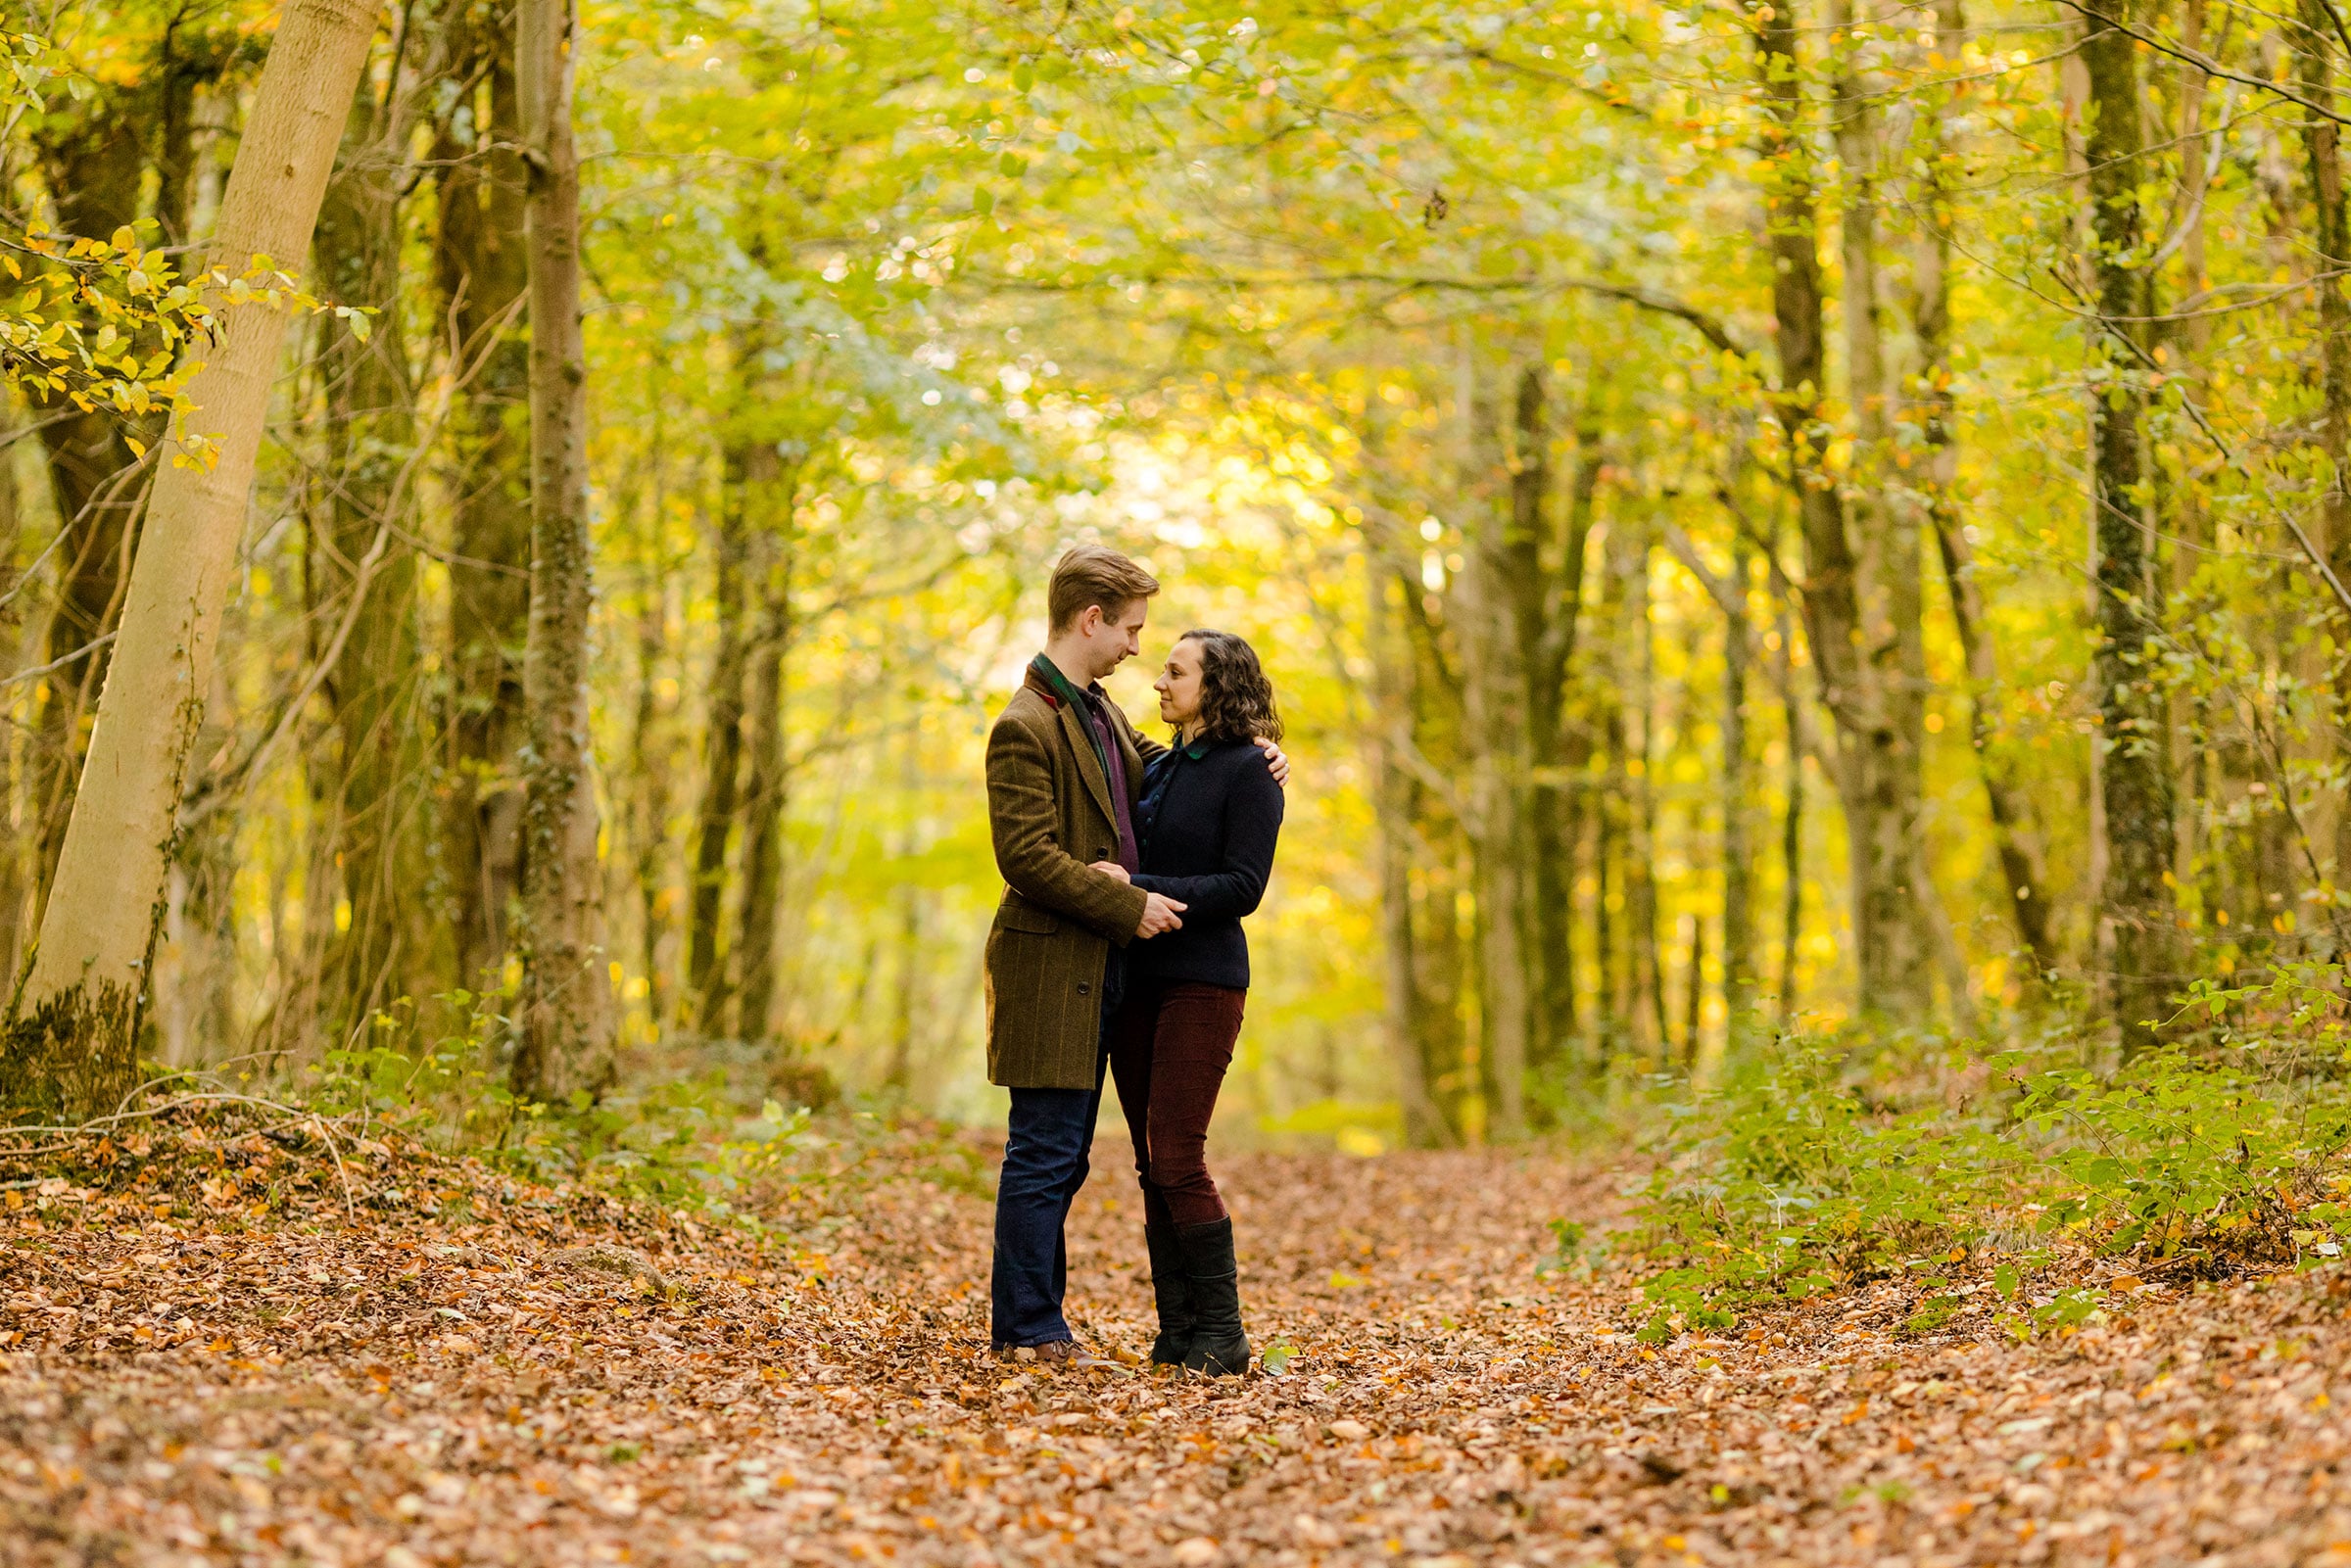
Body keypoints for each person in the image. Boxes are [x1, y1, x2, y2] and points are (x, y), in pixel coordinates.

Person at [982, 546, 1285, 1363]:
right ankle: (1029, 1326)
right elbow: (1027, 857)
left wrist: (1250, 750)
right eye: (1131, 630)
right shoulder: (1025, 723)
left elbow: (1166, 771)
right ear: (1092, 620)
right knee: (1044, 1154)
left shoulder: (1098, 709)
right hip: (1052, 966)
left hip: (1114, 971)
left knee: (1082, 1155)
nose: (1137, 651)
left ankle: (1194, 1334)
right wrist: (1132, 900)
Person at [1096, 630, 1283, 1376]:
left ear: (1217, 684)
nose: (1160, 681)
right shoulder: (1162, 764)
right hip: (1138, 979)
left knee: (1178, 1154)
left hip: (1205, 981)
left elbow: (1245, 887)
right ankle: (1178, 1332)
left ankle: (1225, 1332)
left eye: (1175, 671)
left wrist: (1142, 893)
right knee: (1148, 1160)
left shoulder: (1252, 772)